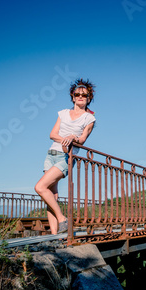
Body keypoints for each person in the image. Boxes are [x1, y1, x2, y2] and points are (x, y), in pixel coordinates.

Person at [35, 78, 96, 234]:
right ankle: (55, 236)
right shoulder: (63, 113)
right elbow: (52, 134)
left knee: (40, 187)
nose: (80, 97)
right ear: (73, 96)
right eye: (77, 94)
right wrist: (64, 139)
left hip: (66, 157)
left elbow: (82, 140)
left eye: (84, 95)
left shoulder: (89, 118)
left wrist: (73, 137)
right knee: (51, 195)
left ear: (89, 98)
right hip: (51, 154)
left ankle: (62, 219)